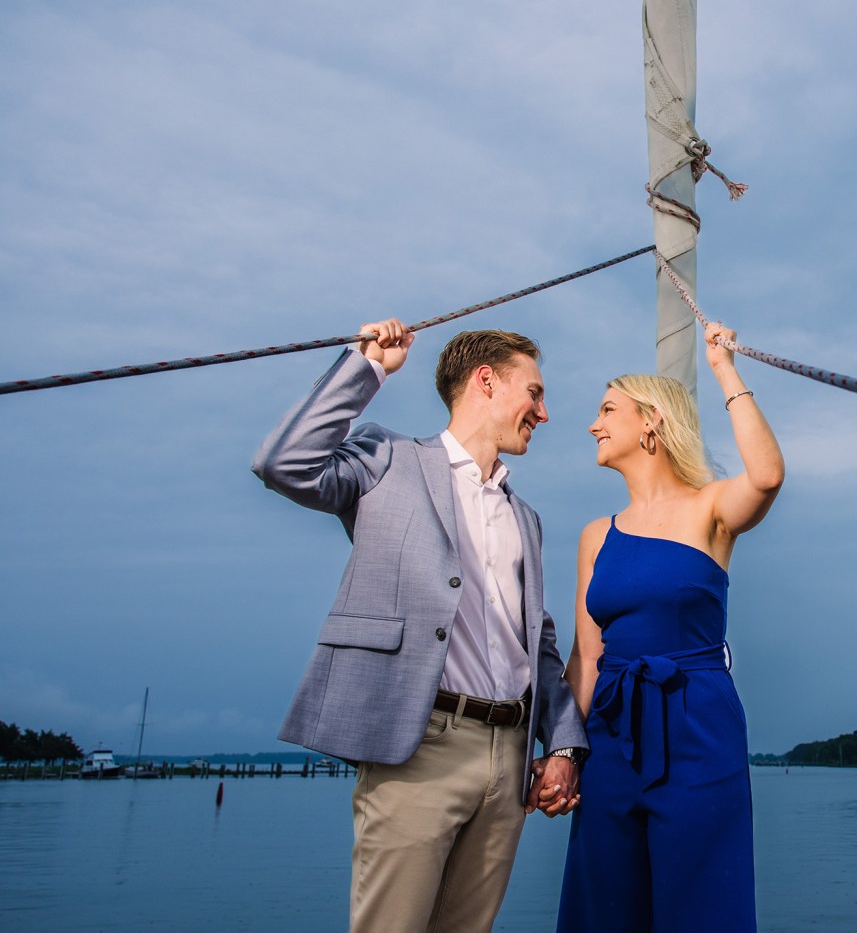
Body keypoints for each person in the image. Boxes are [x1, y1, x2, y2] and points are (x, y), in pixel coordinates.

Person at [252, 318, 587, 933]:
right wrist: (367, 367)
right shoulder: (387, 460)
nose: (544, 411)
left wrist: (562, 746)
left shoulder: (528, 519)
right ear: (486, 381)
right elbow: (283, 463)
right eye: (534, 393)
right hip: (418, 745)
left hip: (508, 759)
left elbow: (538, 644)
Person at [556, 322, 784, 932]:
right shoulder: (595, 535)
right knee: (604, 898)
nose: (593, 424)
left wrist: (725, 369)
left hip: (698, 723)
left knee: (703, 898)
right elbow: (586, 654)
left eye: (608, 409)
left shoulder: (711, 508)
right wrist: (562, 750)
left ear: (652, 421)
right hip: (611, 729)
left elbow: (766, 476)